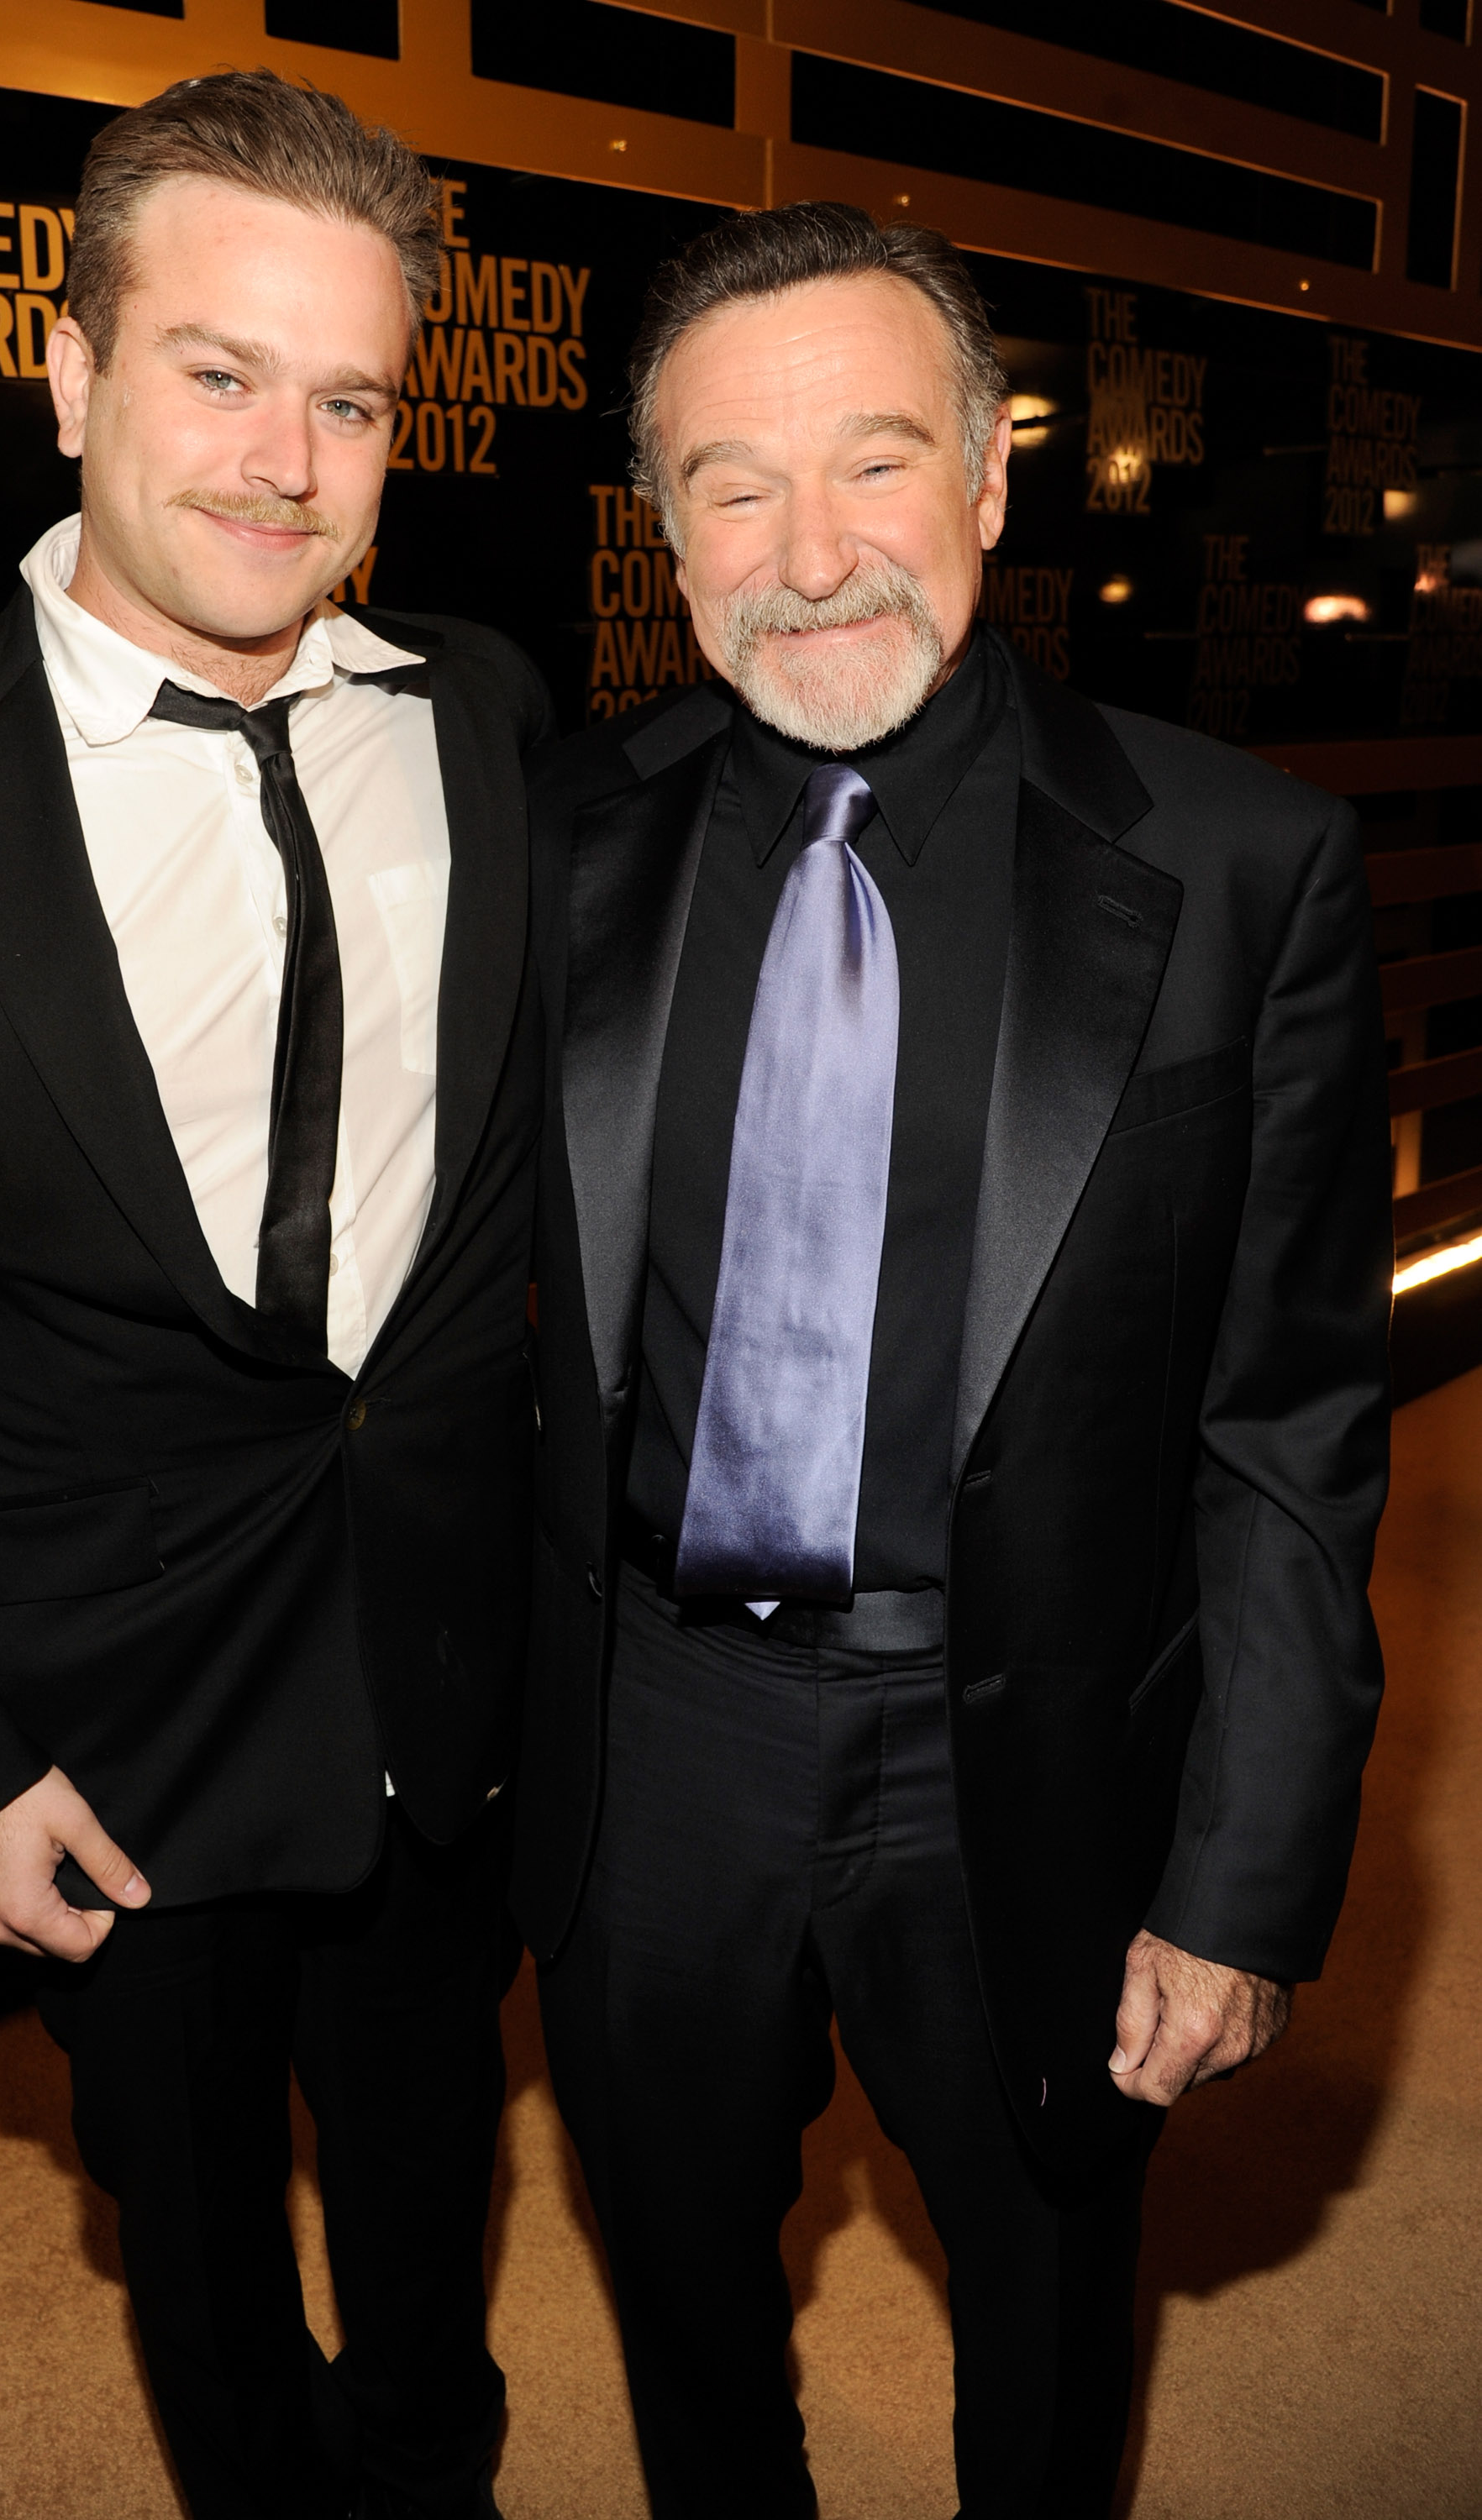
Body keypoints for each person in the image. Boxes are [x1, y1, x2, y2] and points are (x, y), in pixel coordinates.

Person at [0, 71, 551, 2520]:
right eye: (217, 370)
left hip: (451, 1683)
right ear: (66, 379)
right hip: (98, 1735)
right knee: (194, 2262)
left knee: (434, 2205)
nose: (286, 458)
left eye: (350, 396)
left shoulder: (484, 718)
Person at [515, 203, 1392, 2519]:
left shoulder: (1242, 865)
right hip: (649, 1724)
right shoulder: (556, 846)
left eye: (876, 465)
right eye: (732, 484)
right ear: (664, 528)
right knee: (680, 2290)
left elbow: (1289, 1430)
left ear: (993, 480)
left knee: (1043, 2299)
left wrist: (1245, 1873)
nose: (812, 554)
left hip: (1024, 1737)